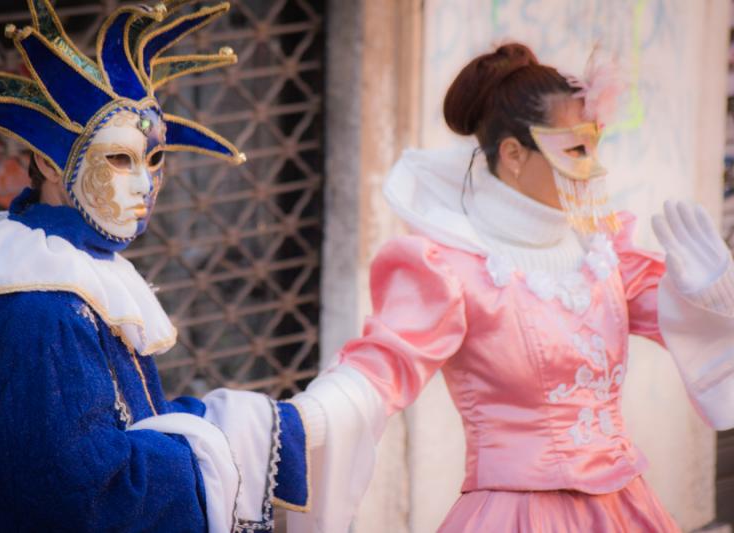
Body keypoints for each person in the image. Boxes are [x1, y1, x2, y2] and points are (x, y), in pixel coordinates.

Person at [291, 43, 734, 532]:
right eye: (575, 149)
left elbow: (676, 323)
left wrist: (710, 296)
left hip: (623, 510)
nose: (593, 168)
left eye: (594, 147)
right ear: (514, 154)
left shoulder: (603, 253)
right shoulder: (452, 269)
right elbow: (380, 368)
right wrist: (300, 422)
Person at [0, 2, 312, 531]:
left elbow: (109, 428)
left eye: (155, 160)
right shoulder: (42, 309)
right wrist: (219, 450)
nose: (144, 186)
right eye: (118, 159)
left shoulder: (66, 269)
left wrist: (221, 424)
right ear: (47, 161)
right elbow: (74, 498)